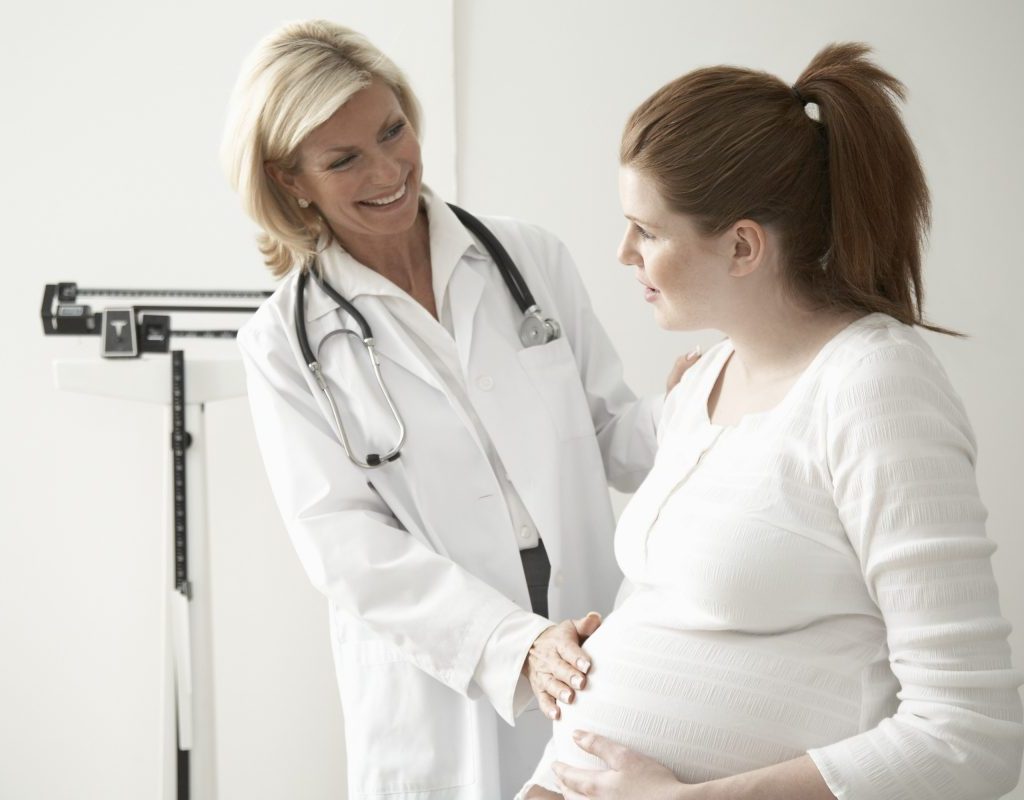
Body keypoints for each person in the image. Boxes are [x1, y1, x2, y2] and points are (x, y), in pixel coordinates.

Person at [520, 43, 1024, 800]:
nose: (623, 252)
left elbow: (970, 735)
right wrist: (588, 654)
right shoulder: (705, 379)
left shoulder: (875, 389)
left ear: (744, 245)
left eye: (647, 231)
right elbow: (683, 608)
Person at [220, 20, 695, 800]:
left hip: (593, 636)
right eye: (344, 160)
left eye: (392, 130)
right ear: (290, 179)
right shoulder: (283, 342)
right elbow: (345, 547)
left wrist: (695, 404)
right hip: (443, 679)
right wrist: (516, 645)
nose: (389, 170)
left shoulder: (526, 258)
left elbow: (615, 435)